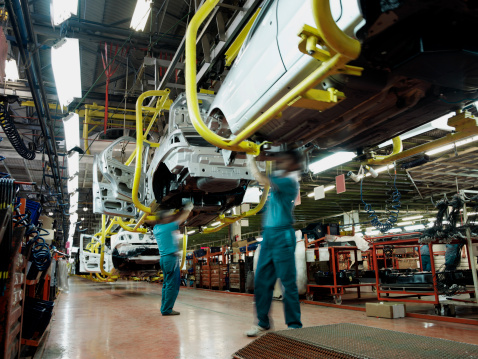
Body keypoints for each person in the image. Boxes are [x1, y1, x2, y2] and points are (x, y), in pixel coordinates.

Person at [245, 150, 303, 337]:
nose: (281, 163)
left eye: (285, 160)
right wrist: (260, 154)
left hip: (283, 234)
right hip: (268, 235)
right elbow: (268, 169)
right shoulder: (279, 176)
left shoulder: (290, 182)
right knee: (262, 281)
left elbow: (261, 178)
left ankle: (294, 324)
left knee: (287, 282)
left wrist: (250, 160)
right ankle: (262, 322)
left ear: (294, 165)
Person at [144, 202, 193, 316]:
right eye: (168, 216)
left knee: (167, 284)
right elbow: (181, 219)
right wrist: (188, 209)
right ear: (163, 219)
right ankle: (167, 310)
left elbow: (157, 221)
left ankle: (165, 308)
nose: (170, 217)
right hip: (171, 259)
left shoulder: (157, 228)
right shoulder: (168, 227)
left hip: (164, 259)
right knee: (172, 285)